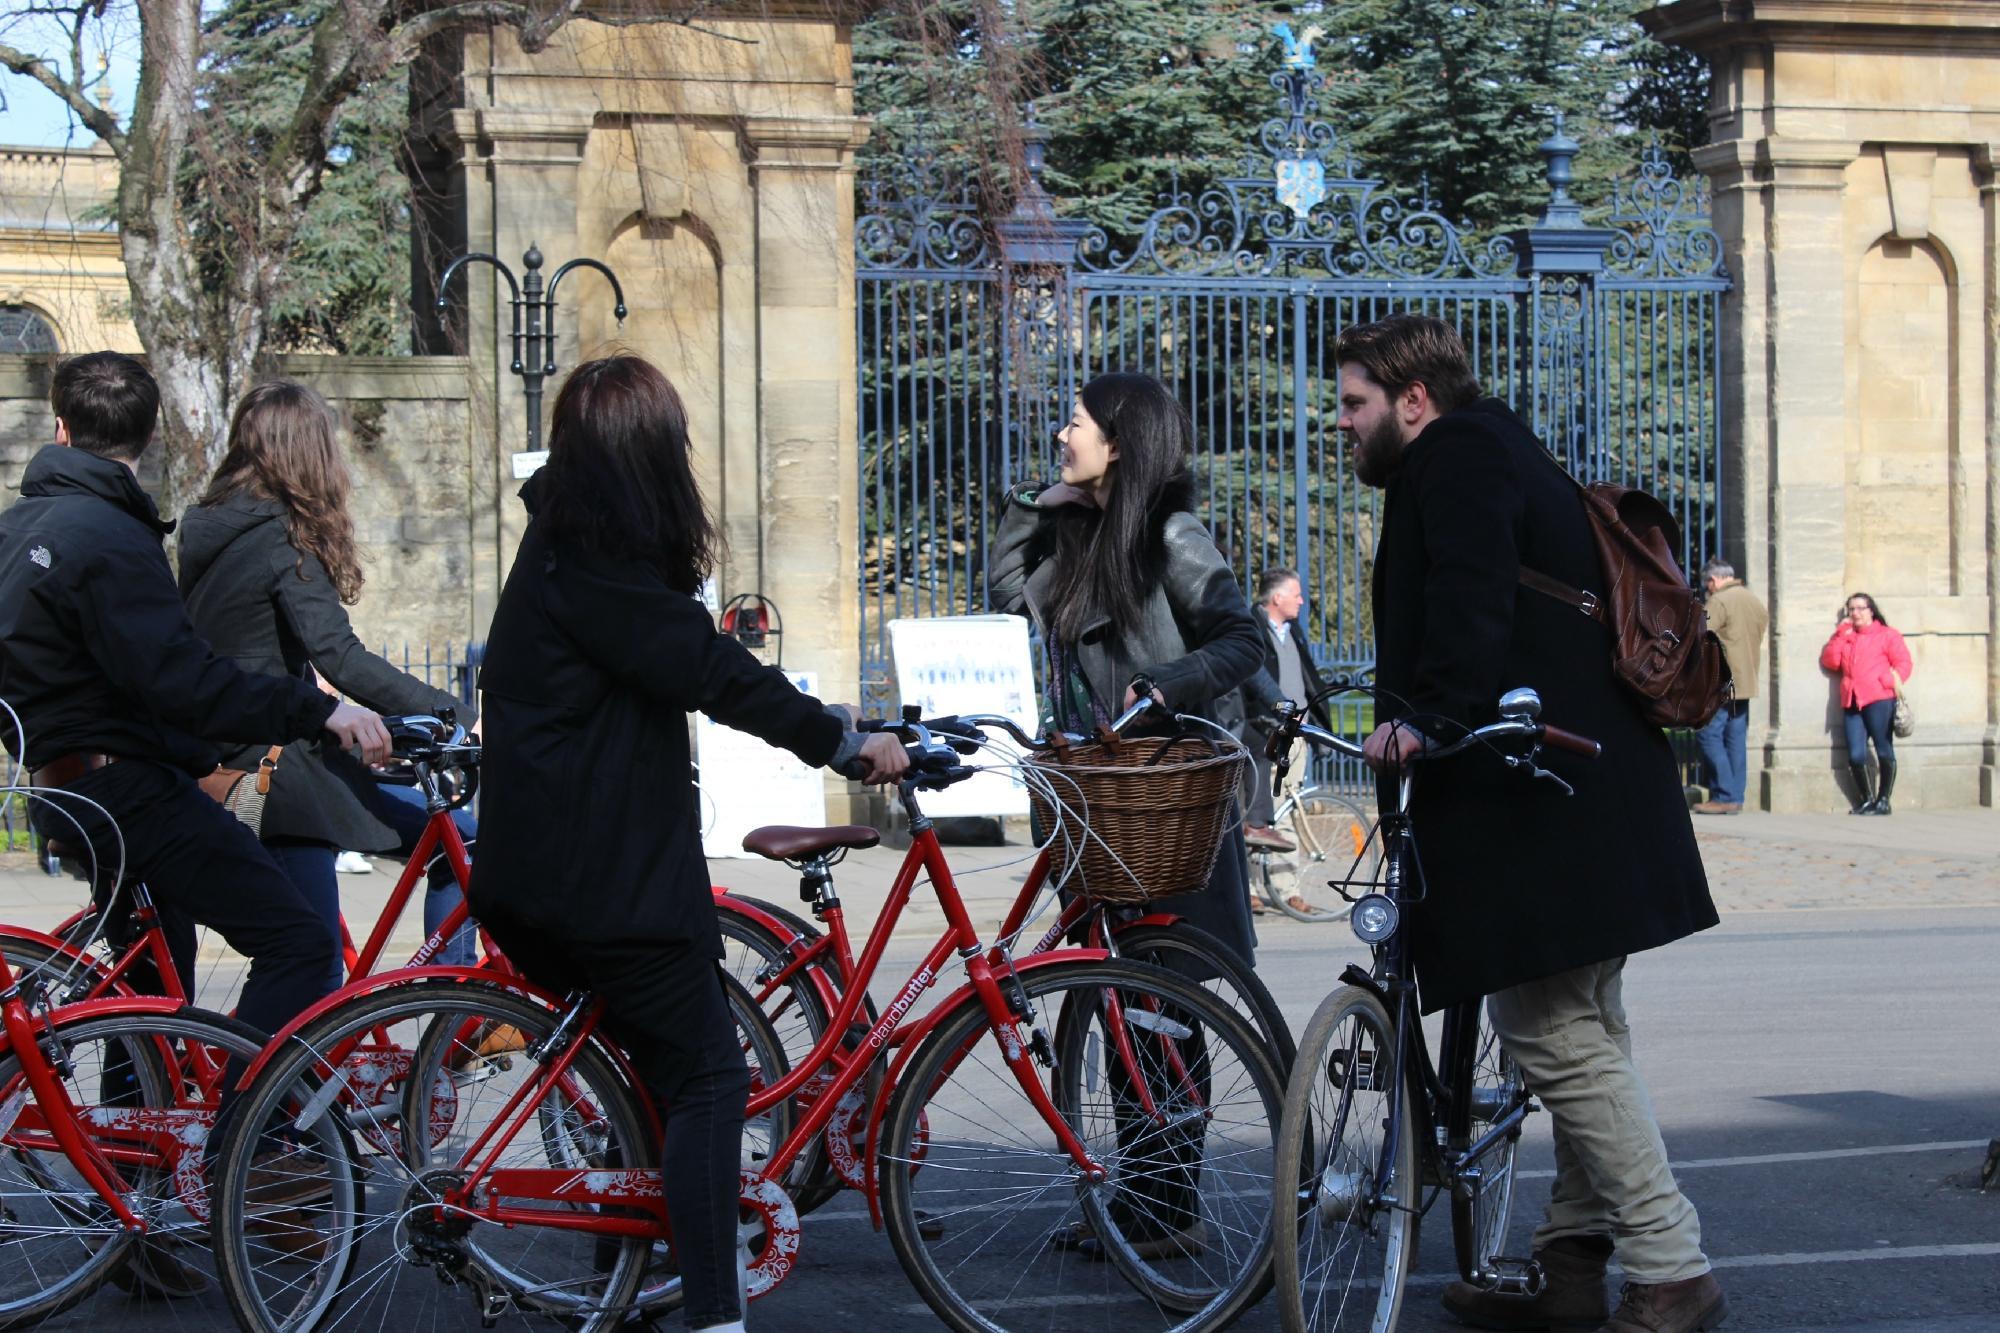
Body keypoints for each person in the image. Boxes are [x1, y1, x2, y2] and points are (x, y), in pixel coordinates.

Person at [467, 355, 907, 1333]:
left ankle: (619, 1284)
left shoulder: (568, 545)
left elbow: (682, 657)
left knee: (650, 1071)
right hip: (599, 882)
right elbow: (711, 669)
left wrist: (825, 713)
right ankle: (715, 1315)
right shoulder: (596, 562)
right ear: (651, 456)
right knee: (709, 1075)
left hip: (556, 873)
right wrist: (840, 741)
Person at [1337, 315, 1726, 1333]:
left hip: (1545, 789)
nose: (1340, 425)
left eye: (1352, 404)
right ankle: (1564, 1263)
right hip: (1582, 786)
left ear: (1410, 399)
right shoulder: (1501, 444)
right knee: (1584, 1025)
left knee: (1546, 1028)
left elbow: (1466, 597)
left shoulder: (1457, 454)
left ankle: (1669, 1263)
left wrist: (1425, 718)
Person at [0, 352, 388, 1033]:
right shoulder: (110, 537)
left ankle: (132, 1131)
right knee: (300, 941)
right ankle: (245, 1134)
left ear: (60, 429)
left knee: (149, 987)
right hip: (128, 794)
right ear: (150, 437)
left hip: (59, 787)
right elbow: (183, 681)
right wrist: (320, 708)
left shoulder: (12, 531)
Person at [989, 369, 1263, 1259]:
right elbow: (1002, 585)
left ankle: (1167, 1205)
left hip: (1169, 797)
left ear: (1120, 440)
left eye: (1075, 424)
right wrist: (1043, 500)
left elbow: (1242, 637)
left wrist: (1164, 690)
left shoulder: (1169, 533)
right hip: (1098, 801)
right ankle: (1143, 1200)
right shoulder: (1079, 534)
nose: (1062, 434)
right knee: (1117, 1005)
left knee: (1166, 1009)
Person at [178, 379, 482, 991]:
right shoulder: (282, 540)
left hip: (233, 753)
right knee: (311, 960)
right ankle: (455, 1018)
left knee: (309, 958)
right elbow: (339, 655)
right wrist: (455, 716)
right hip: (279, 774)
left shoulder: (208, 530)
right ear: (311, 454)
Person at [1240, 568, 1335, 910]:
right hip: (1263, 733)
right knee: (1255, 811)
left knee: (1290, 809)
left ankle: (1287, 889)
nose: (1301, 600)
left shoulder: (1293, 632)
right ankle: (1250, 891)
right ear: (1276, 598)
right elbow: (1255, 681)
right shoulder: (1250, 628)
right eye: (1296, 594)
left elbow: (1308, 679)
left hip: (1297, 735)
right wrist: (1284, 708)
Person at [1819, 591, 1912, 815]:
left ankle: (1884, 800)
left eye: (1860, 608)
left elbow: (1904, 662)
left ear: (1871, 611)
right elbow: (1831, 661)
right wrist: (1841, 633)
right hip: (1852, 700)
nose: (1856, 613)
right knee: (1855, 754)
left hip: (1878, 698)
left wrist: (1889, 680)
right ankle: (1866, 799)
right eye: (1852, 609)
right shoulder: (1848, 635)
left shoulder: (1887, 635)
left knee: (1883, 748)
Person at [1691, 558, 1767, 815]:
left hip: (1723, 679)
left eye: (1707, 583)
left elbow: (1702, 632)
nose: (1707, 588)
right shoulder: (1752, 599)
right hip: (1746, 679)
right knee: (1735, 738)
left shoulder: (1720, 601)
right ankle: (1735, 795)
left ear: (1713, 580)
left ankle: (1724, 794)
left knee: (1708, 734)